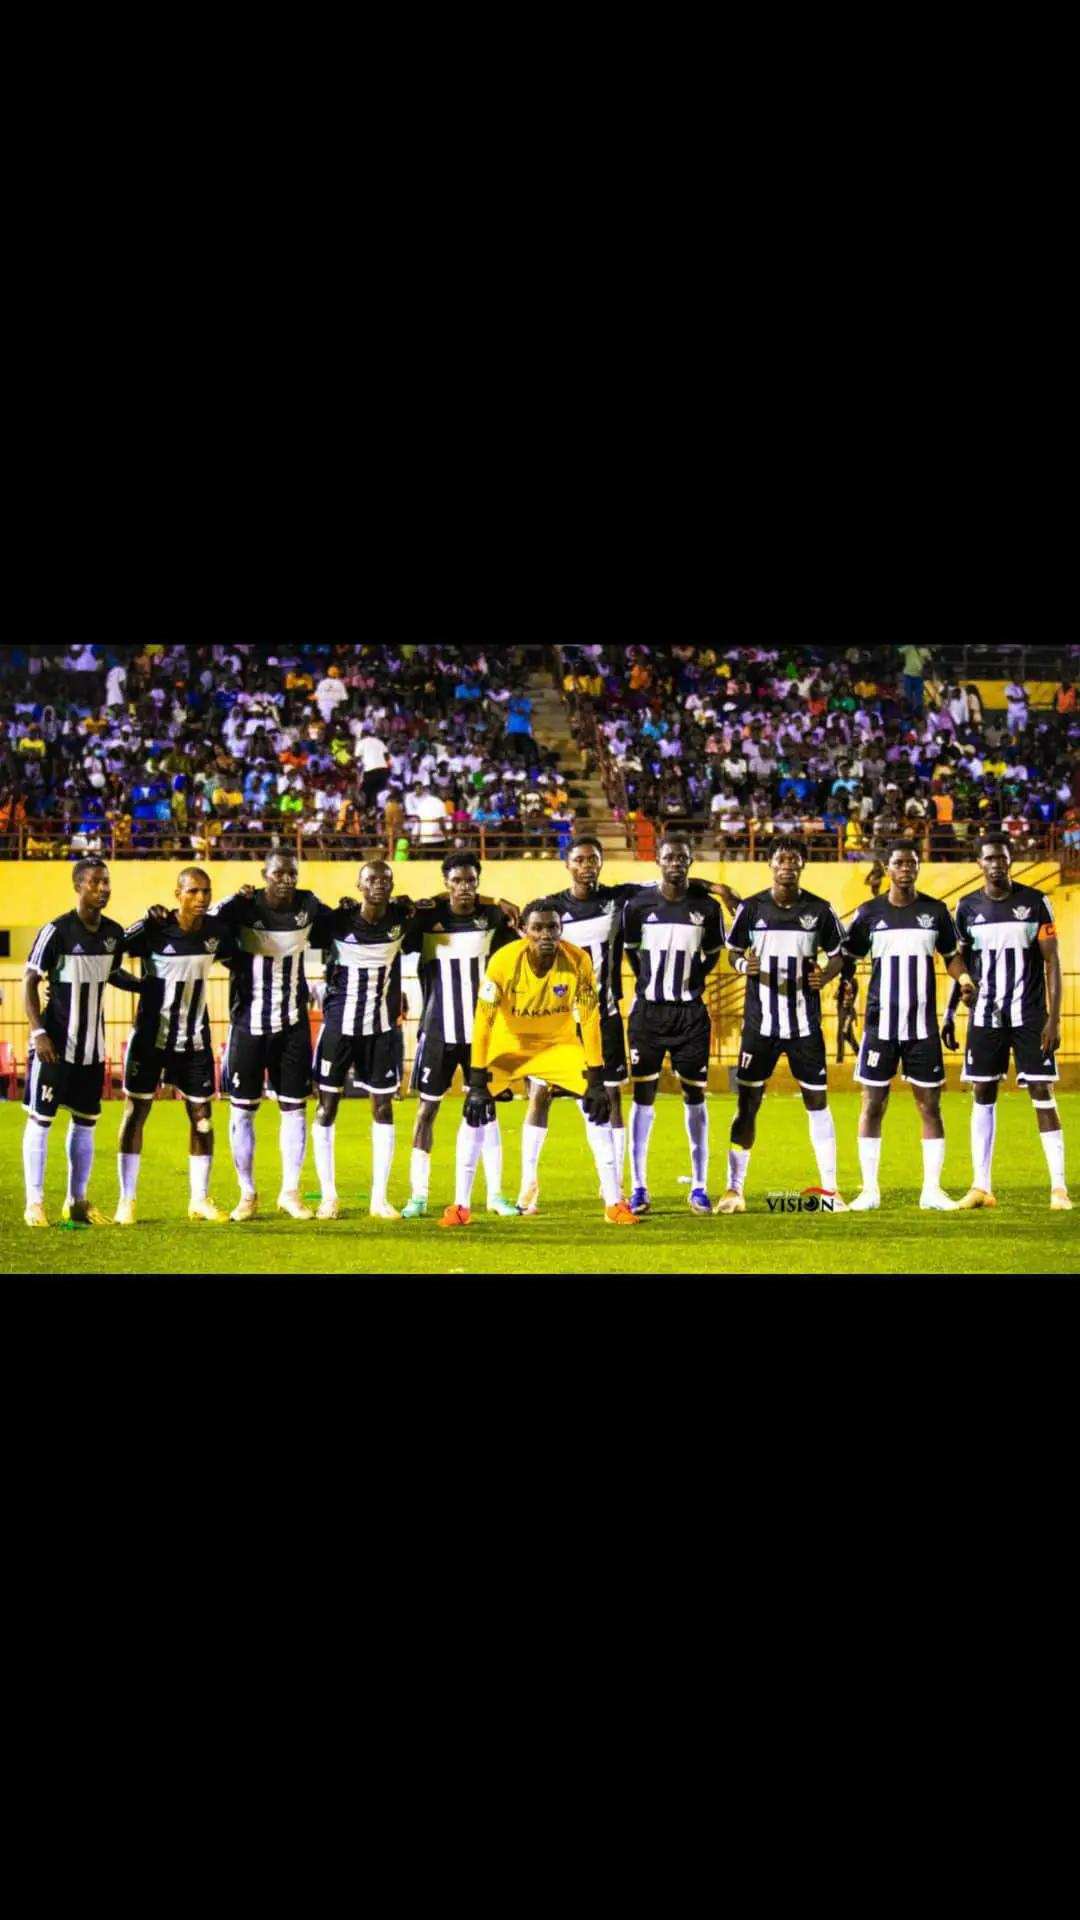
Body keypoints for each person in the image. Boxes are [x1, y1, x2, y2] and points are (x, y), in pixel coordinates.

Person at [447, 900, 636, 1228]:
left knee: (598, 1108)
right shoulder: (503, 961)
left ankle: (614, 1202)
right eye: (538, 928)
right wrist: (477, 1081)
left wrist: (595, 1079)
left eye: (553, 927)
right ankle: (460, 1205)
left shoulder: (578, 960)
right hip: (510, 1047)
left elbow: (590, 1020)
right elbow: (483, 1023)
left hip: (558, 1046)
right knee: (474, 1112)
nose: (546, 935)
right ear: (524, 931)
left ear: (561, 930)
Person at [841, 842, 977, 1211]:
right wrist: (843, 981)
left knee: (930, 1106)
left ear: (918, 867)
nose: (905, 868)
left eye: (911, 863)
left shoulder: (935, 912)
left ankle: (931, 1190)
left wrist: (965, 980)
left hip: (922, 1028)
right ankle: (869, 1192)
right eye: (899, 863)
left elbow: (951, 957)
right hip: (879, 1026)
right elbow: (849, 956)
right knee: (872, 1104)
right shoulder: (869, 913)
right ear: (887, 868)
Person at [714, 839, 848, 1213]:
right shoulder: (752, 908)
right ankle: (734, 1189)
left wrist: (826, 975)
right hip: (760, 1026)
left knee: (817, 1102)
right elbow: (733, 952)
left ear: (802, 865)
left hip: (805, 1025)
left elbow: (839, 954)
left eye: (794, 859)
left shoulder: (819, 910)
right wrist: (744, 966)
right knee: (747, 1104)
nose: (787, 865)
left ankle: (831, 1191)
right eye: (781, 859)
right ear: (770, 865)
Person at [943, 836, 1070, 1210]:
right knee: (982, 1093)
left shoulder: (1035, 902)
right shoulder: (967, 907)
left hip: (1029, 1015)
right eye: (989, 858)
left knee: (1042, 1092)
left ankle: (1059, 1188)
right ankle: (981, 1186)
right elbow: (958, 961)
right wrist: (952, 1007)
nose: (996, 863)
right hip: (985, 1016)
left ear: (1011, 860)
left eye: (1002, 857)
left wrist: (1054, 1018)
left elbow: (1052, 961)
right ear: (979, 864)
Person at [207, 851, 329, 1222]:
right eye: (278, 873)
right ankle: (247, 1193)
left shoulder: (308, 905)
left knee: (294, 1108)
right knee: (242, 1111)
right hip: (247, 1025)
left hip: (292, 1026)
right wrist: (231, 898)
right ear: (264, 874)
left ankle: (290, 1192)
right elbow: (207, 923)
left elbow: (342, 923)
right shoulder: (244, 906)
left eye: (292, 873)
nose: (286, 880)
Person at [399, 854, 520, 1219]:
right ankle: (418, 1195)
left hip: (481, 1034)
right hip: (437, 1031)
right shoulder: (426, 919)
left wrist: (499, 904)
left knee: (488, 1110)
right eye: (457, 881)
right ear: (446, 882)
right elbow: (402, 928)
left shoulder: (493, 917)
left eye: (470, 881)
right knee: (427, 1110)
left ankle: (496, 1194)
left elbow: (520, 932)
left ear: (478, 882)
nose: (464, 887)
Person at [21, 858, 138, 1226]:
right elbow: (29, 981)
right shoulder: (56, 931)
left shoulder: (114, 933)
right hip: (54, 1046)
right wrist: (39, 1033)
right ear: (78, 886)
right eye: (94, 883)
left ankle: (77, 1201)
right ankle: (34, 1203)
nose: (103, 889)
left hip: (92, 1049)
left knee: (85, 1122)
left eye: (106, 882)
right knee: (41, 1119)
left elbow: (113, 973)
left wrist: (145, 986)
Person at [114, 868, 234, 1225]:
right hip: (150, 1039)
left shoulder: (216, 932)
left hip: (194, 1041)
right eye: (193, 891)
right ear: (177, 893)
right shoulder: (154, 928)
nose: (201, 898)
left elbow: (239, 958)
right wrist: (141, 986)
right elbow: (108, 956)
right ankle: (126, 1200)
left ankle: (199, 1199)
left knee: (203, 1119)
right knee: (136, 1113)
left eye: (206, 891)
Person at [621, 834, 727, 1215]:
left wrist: (692, 980)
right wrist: (649, 982)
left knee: (695, 1096)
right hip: (648, 1014)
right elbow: (632, 952)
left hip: (690, 1016)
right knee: (643, 1096)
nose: (676, 863)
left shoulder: (708, 908)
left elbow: (712, 954)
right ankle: (639, 1187)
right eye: (669, 857)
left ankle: (699, 1186)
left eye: (682, 858)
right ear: (658, 861)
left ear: (690, 862)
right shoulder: (638, 905)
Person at [309, 859, 413, 1219]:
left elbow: (444, 906)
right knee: (326, 1107)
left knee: (383, 1108)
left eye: (385, 879)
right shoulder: (337, 921)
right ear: (359, 885)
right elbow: (303, 916)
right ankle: (328, 1197)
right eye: (371, 879)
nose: (379, 884)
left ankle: (379, 1199)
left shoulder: (401, 919)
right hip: (337, 1030)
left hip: (380, 1031)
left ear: (392, 885)